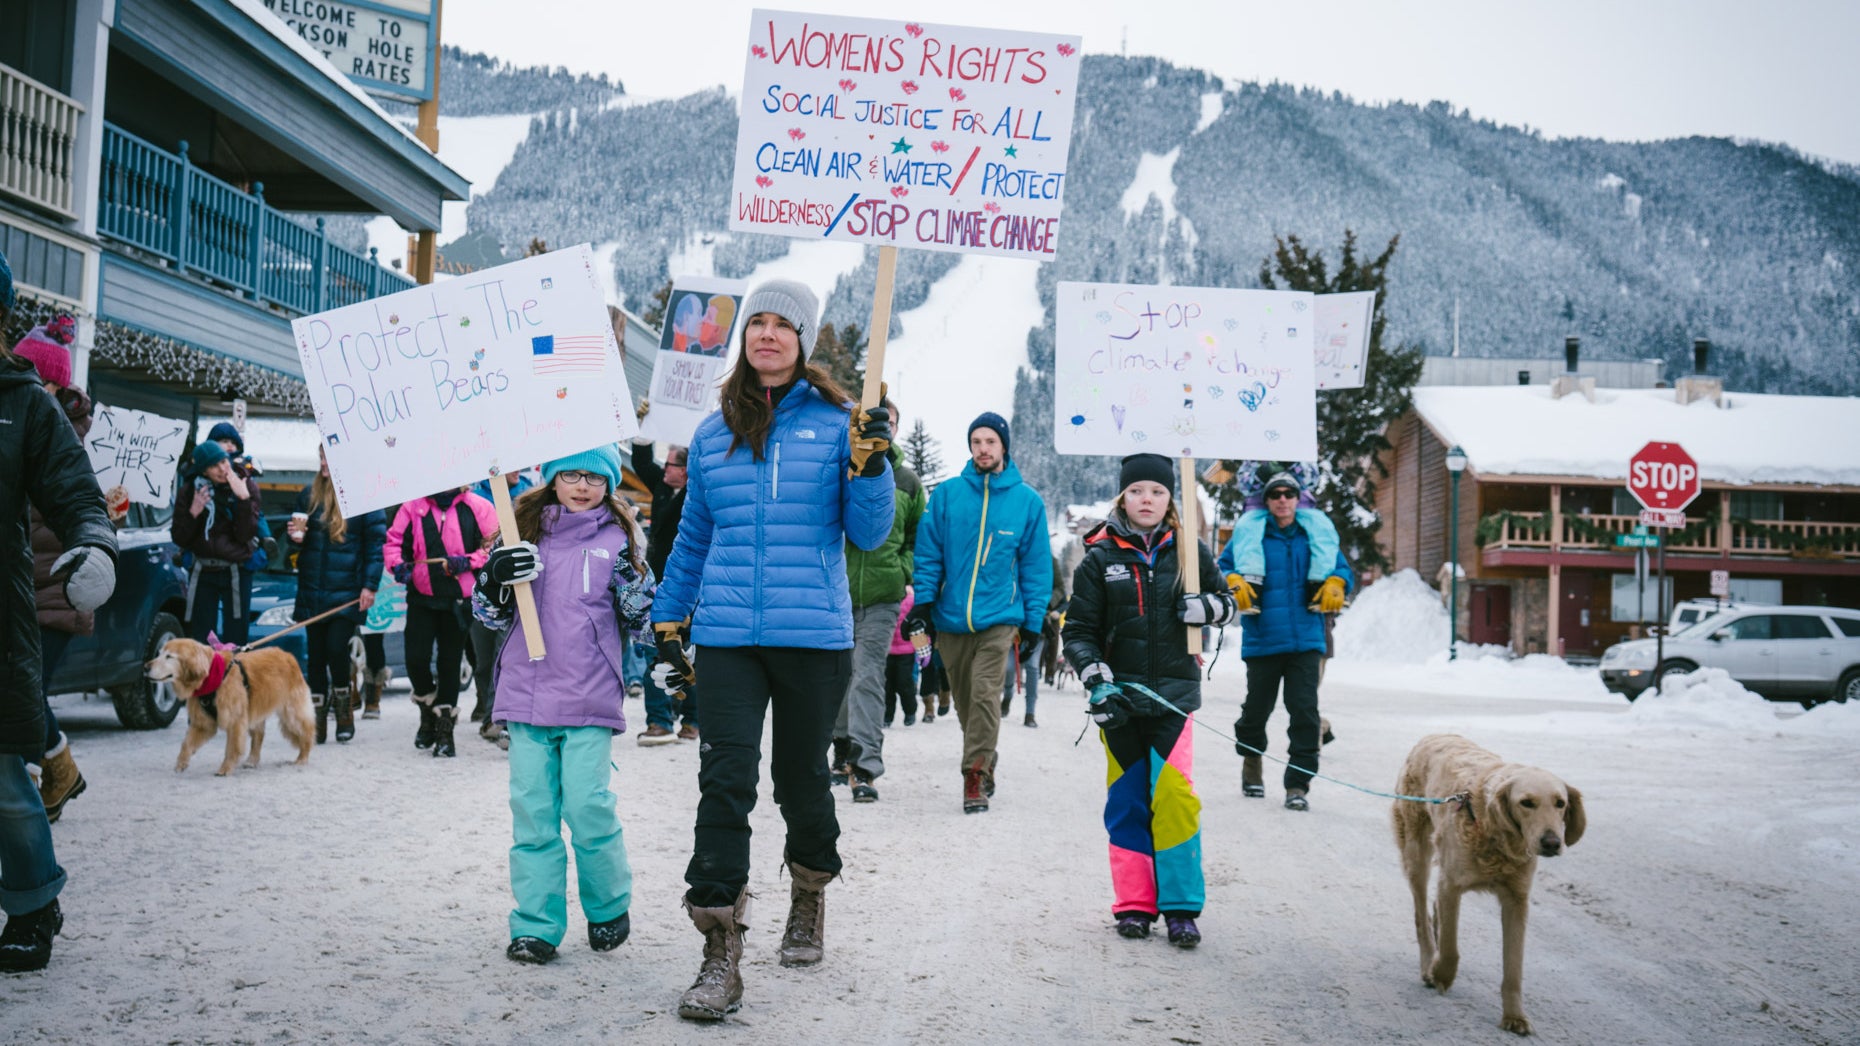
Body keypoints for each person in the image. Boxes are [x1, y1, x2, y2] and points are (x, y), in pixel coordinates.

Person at [648, 279, 894, 1021]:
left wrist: (872, 465)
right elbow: (693, 537)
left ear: (803, 340)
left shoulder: (840, 423)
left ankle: (810, 891)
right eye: (755, 322)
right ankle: (719, 946)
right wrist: (668, 620)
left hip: (813, 634)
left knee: (800, 781)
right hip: (726, 635)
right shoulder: (712, 431)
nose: (766, 334)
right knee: (725, 779)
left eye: (782, 324)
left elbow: (871, 533)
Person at [472, 445, 653, 965]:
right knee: (533, 814)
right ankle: (536, 925)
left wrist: (642, 593)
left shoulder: (619, 541)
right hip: (527, 697)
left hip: (589, 696)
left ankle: (608, 906)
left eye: (596, 477)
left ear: (609, 485)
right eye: (571, 474)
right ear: (552, 478)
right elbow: (486, 615)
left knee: (587, 806)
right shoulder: (519, 534)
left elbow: (641, 617)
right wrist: (494, 581)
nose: (582, 486)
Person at [0, 249, 118, 972]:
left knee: (4, 785)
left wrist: (94, 546)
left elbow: (77, 497)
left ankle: (34, 905)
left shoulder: (23, 404)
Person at [1064, 453, 1235, 948]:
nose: (1148, 499)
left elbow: (1227, 605)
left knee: (1176, 800)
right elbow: (1078, 632)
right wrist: (1096, 677)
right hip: (1119, 701)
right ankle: (1135, 904)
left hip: (1175, 700)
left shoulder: (1190, 552)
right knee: (1127, 803)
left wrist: (1209, 608)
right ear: (1123, 497)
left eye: (1158, 492)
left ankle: (1180, 907)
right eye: (1138, 491)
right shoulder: (1100, 559)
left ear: (1169, 500)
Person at [905, 412, 1052, 814]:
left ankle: (974, 774)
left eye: (991, 441)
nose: (983, 449)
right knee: (968, 705)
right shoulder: (949, 495)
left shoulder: (1027, 502)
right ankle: (984, 763)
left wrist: (1033, 623)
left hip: (999, 618)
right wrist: (923, 603)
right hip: (951, 619)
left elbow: (1037, 568)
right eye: (976, 442)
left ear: (1004, 446)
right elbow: (929, 553)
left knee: (986, 695)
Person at [16, 314, 117, 823]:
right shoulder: (25, 423)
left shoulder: (57, 438)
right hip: (27, 588)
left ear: (48, 383)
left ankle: (39, 789)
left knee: (25, 697)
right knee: (22, 695)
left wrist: (99, 525)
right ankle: (53, 775)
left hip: (56, 592)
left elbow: (74, 507)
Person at [1218, 469, 1353, 810]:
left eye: (1288, 494)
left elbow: (1342, 569)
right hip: (1263, 638)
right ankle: (1252, 764)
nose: (1282, 499)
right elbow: (1220, 566)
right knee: (1255, 712)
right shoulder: (1251, 533)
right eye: (1275, 494)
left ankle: (1298, 785)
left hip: (1306, 639)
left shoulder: (1315, 534)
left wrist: (1337, 581)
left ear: (1298, 498)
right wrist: (1231, 578)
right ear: (1266, 500)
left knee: (1304, 714)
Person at [830, 397, 925, 802]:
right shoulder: (838, 468)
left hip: (884, 595)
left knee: (867, 674)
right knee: (836, 676)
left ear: (895, 430)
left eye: (890, 423)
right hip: (836, 591)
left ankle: (865, 765)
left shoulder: (907, 481)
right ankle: (839, 747)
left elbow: (917, 538)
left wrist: (903, 570)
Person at [384, 485, 497, 757]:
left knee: (449, 662)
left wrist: (467, 562)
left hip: (458, 598)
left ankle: (445, 729)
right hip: (421, 595)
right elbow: (393, 542)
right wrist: (398, 565)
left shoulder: (478, 507)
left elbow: (493, 545)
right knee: (416, 659)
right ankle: (427, 710)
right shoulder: (412, 506)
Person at [287, 447, 386, 744]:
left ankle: (344, 710)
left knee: (335, 648)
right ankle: (317, 720)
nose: (323, 464)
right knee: (315, 656)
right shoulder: (308, 495)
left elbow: (375, 545)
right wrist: (294, 540)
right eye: (321, 458)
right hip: (312, 589)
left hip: (347, 590)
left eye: (328, 458)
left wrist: (369, 585)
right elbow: (294, 549)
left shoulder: (365, 498)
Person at [629, 441, 697, 745]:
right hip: (658, 581)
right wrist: (643, 437)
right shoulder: (661, 485)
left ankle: (691, 720)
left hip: (688, 580)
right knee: (657, 647)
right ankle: (661, 719)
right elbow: (642, 463)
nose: (663, 468)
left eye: (669, 464)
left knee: (688, 651)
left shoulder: (695, 492)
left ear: (683, 471)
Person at [172, 440, 261, 645]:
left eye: (223, 461)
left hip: (236, 570)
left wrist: (243, 500)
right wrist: (194, 513)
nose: (223, 469)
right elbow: (179, 537)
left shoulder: (246, 485)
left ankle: (234, 676)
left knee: (236, 640)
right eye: (214, 466)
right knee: (202, 639)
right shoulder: (189, 490)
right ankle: (207, 677)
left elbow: (246, 535)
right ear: (204, 471)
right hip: (203, 570)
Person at [467, 470, 535, 739]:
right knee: (484, 661)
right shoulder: (477, 496)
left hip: (520, 594)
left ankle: (499, 718)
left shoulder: (531, 491)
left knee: (505, 656)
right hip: (480, 586)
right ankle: (486, 706)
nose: (516, 470)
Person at [1222, 461, 1340, 614]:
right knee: (1247, 530)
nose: (1282, 498)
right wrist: (1260, 474)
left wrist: (1293, 465)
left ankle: (1319, 583)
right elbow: (1244, 484)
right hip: (1258, 509)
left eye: (1288, 495)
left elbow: (1312, 479)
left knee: (1322, 526)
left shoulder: (1298, 453)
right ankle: (1252, 583)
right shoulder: (1254, 459)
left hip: (1302, 508)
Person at [1001, 552, 1065, 727]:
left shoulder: (1050, 560)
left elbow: (1060, 588)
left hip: (1038, 621)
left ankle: (1030, 712)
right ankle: (1007, 695)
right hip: (1012, 620)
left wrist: (1045, 602)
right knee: (1008, 667)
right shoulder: (1012, 554)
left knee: (1032, 666)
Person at [883, 587, 921, 727]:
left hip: (906, 650)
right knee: (887, 686)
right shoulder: (884, 600)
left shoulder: (911, 601)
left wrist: (922, 647)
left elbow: (917, 624)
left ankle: (910, 711)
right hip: (887, 651)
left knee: (904, 682)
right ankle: (887, 716)